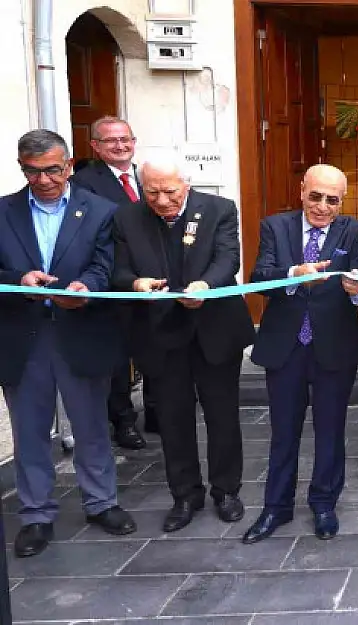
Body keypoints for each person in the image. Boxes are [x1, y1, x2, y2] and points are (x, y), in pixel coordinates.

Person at [0, 129, 137, 557]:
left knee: (91, 425)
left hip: (80, 330)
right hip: (24, 337)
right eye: (32, 171)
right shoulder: (3, 212)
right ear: (22, 168)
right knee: (30, 431)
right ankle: (36, 515)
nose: (42, 180)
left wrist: (84, 287)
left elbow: (106, 263)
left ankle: (101, 503)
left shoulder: (99, 211)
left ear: (70, 166)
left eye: (52, 170)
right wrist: (16, 281)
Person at [113, 155, 255, 533]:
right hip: (160, 334)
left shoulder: (219, 209)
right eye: (152, 192)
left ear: (186, 184)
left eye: (170, 191)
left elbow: (228, 258)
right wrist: (136, 284)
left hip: (214, 328)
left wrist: (206, 286)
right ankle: (185, 495)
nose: (161, 201)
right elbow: (119, 268)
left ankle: (226, 491)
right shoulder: (126, 217)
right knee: (172, 420)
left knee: (222, 417)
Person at [242, 164, 358, 543]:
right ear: (302, 192)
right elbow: (260, 278)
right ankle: (275, 508)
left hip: (334, 346)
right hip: (286, 346)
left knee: (330, 431)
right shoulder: (275, 227)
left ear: (342, 201)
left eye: (332, 200)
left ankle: (324, 504)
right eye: (315, 196)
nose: (322, 207)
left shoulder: (354, 231)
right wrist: (295, 273)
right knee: (284, 432)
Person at [69, 115, 151, 449]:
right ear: (95, 147)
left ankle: (158, 412)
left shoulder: (147, 176)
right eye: (110, 141)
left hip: (153, 280)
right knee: (118, 357)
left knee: (155, 346)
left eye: (125, 139)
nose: (120, 146)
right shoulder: (84, 182)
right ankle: (123, 421)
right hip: (114, 279)